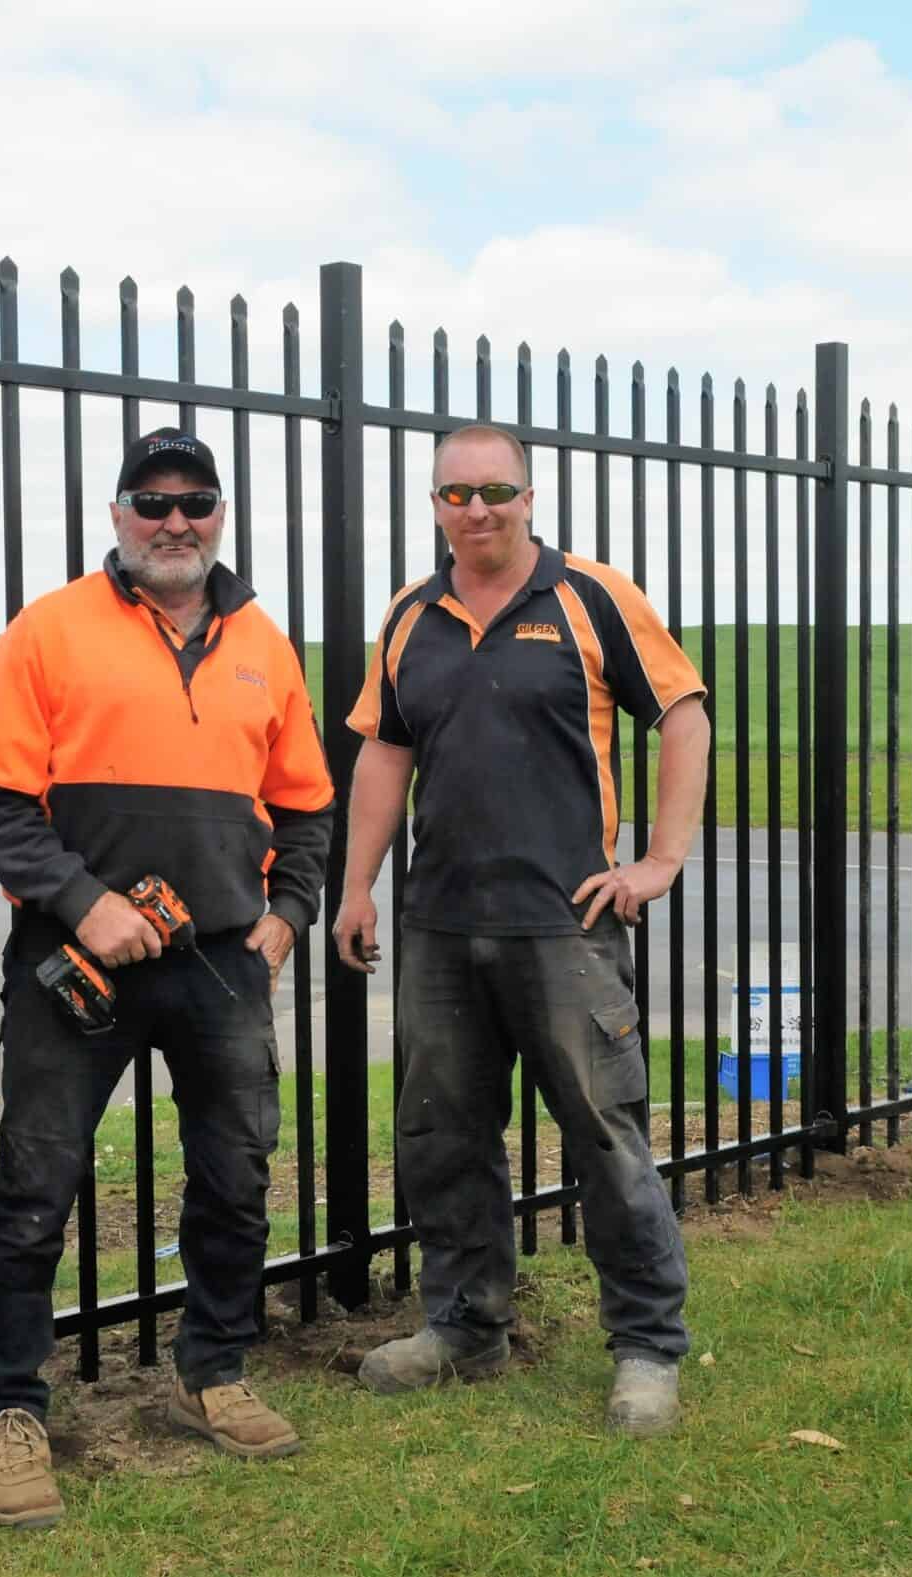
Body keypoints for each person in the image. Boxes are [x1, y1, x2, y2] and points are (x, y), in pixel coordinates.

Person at [0, 426, 334, 1524]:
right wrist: (84, 901)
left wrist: (286, 916)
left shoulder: (263, 641)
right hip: (73, 958)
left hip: (221, 959)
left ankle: (212, 1370)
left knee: (236, 1172)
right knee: (37, 1182)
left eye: (194, 501)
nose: (175, 520)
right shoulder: (48, 628)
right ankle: (6, 1408)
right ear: (117, 514)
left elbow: (306, 805)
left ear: (220, 515)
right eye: (152, 500)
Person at [331, 422, 711, 1438]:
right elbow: (383, 753)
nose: (477, 509)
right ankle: (466, 1326)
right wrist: (357, 886)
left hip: (565, 923)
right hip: (440, 926)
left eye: (495, 490)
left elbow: (683, 713)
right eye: (456, 493)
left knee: (604, 1132)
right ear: (435, 505)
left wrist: (659, 860)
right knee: (442, 1133)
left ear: (528, 497)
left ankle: (646, 1344)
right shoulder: (411, 616)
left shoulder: (590, 596)